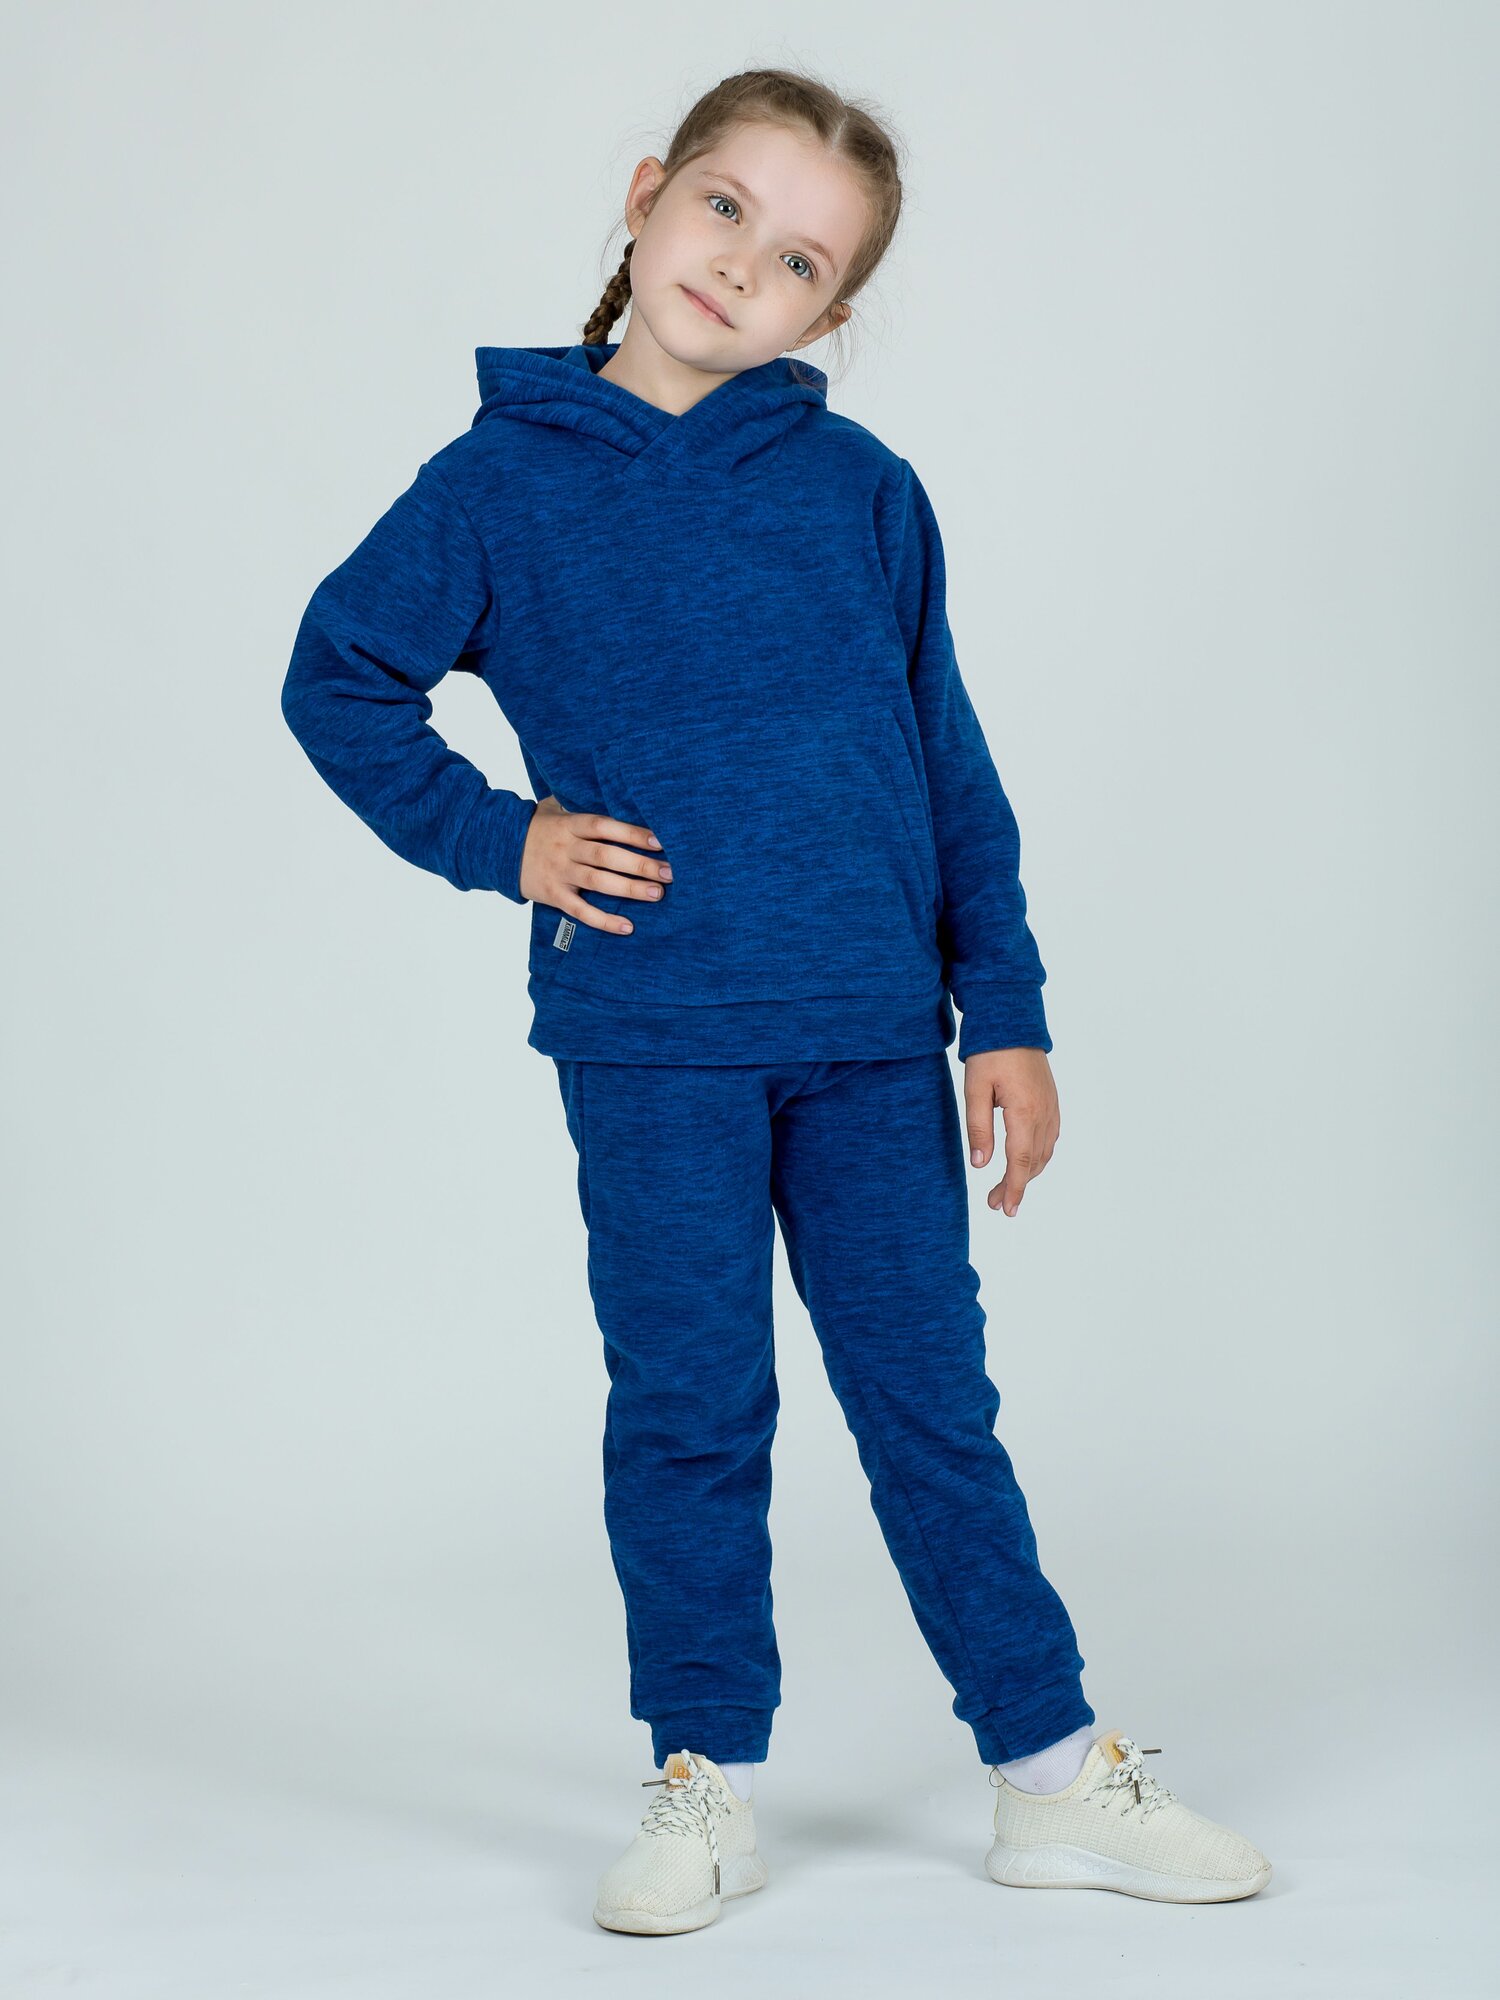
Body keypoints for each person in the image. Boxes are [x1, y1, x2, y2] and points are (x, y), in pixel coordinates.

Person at [279, 66, 1272, 1935]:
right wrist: (505, 841)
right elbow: (336, 679)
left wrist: (1007, 1009)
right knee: (691, 1405)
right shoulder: (495, 487)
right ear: (649, 195)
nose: (745, 265)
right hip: (653, 1044)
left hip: (875, 1043)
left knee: (930, 1403)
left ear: (833, 314)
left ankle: (1051, 1772)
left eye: (802, 259)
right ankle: (701, 1779)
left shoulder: (864, 494)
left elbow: (947, 762)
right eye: (727, 209)